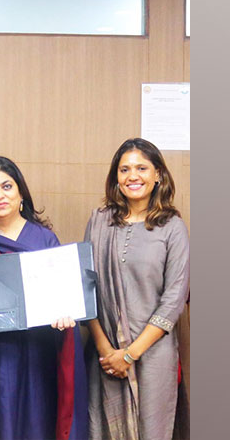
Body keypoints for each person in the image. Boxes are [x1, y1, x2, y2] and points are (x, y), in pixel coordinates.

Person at [0, 156, 88, 440]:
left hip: (34, 353)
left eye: (6, 186)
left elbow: (62, 297)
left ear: (20, 192)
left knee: (33, 425)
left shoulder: (44, 240)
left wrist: (63, 316)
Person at [84, 138, 189, 440]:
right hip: (103, 355)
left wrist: (129, 354)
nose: (133, 176)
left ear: (158, 175)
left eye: (142, 168)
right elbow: (85, 285)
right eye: (124, 169)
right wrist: (107, 350)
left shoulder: (172, 227)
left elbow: (174, 299)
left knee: (151, 430)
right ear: (115, 177)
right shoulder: (100, 221)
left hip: (153, 355)